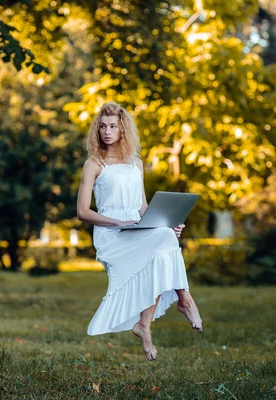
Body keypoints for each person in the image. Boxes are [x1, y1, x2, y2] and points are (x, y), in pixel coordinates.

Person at [76, 101, 203, 362]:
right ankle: (185, 300)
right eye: (102, 127)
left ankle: (144, 324)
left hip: (137, 229)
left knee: (166, 235)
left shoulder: (136, 163)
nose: (107, 132)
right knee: (163, 243)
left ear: (123, 129)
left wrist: (167, 223)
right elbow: (83, 212)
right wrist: (117, 222)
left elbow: (143, 207)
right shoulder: (94, 164)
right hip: (111, 235)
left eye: (113, 126)